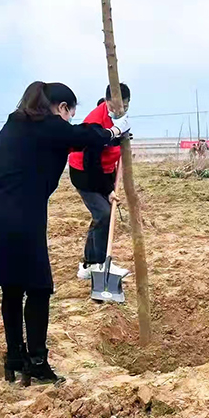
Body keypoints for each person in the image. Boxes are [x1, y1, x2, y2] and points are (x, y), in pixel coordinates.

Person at [0, 82, 131, 384]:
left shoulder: (18, 123)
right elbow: (81, 135)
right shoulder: (48, 125)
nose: (69, 118)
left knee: (13, 287)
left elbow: (77, 139)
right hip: (16, 215)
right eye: (70, 112)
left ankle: (15, 357)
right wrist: (114, 131)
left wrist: (108, 138)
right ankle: (37, 362)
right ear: (61, 108)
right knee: (39, 288)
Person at [68, 84, 132, 281]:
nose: (120, 111)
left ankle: (88, 264)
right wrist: (107, 190)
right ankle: (100, 265)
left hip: (104, 171)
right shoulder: (95, 122)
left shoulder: (119, 118)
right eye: (115, 107)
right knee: (104, 214)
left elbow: (109, 142)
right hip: (85, 172)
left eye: (125, 106)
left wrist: (121, 140)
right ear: (107, 103)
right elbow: (91, 162)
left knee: (100, 216)